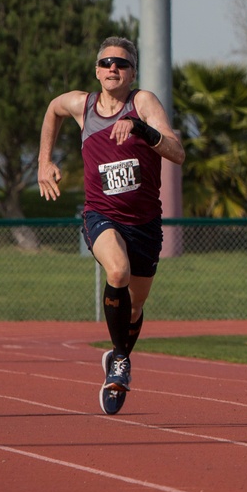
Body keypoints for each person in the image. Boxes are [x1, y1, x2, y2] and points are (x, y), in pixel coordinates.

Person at [38, 36, 185, 415]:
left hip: (146, 222)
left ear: (132, 71)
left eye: (120, 63)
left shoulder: (143, 103)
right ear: (97, 70)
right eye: (105, 63)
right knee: (116, 270)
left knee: (134, 310)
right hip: (101, 214)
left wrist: (140, 129)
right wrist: (44, 162)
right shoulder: (82, 105)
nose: (112, 68)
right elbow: (53, 109)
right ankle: (121, 363)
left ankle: (116, 357)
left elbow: (177, 152)